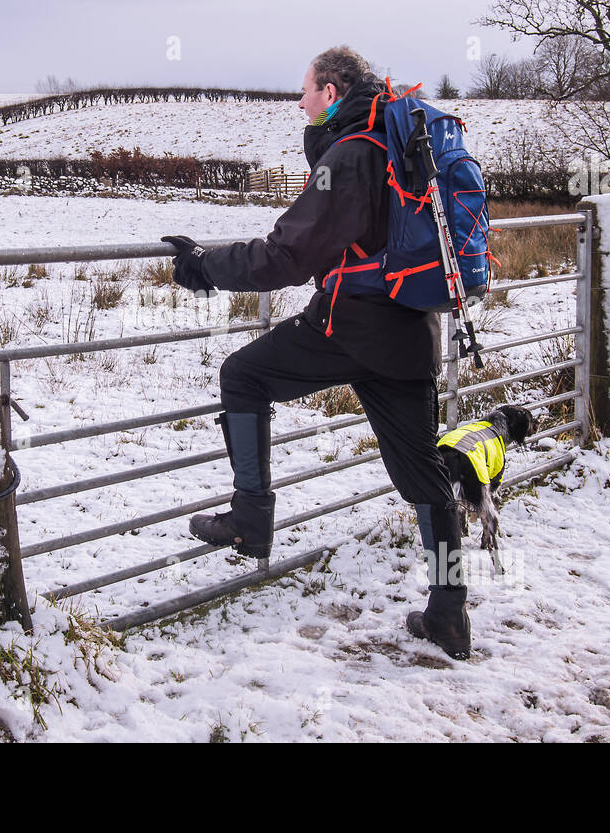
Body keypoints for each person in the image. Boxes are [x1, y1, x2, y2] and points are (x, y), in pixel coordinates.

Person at [162, 45, 472, 660]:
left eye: (305, 90)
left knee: (242, 376)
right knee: (426, 480)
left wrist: (204, 267)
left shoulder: (351, 157)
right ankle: (448, 615)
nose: (299, 101)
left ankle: (251, 519)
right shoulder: (391, 149)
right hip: (407, 335)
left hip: (345, 327)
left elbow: (286, 256)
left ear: (331, 93)